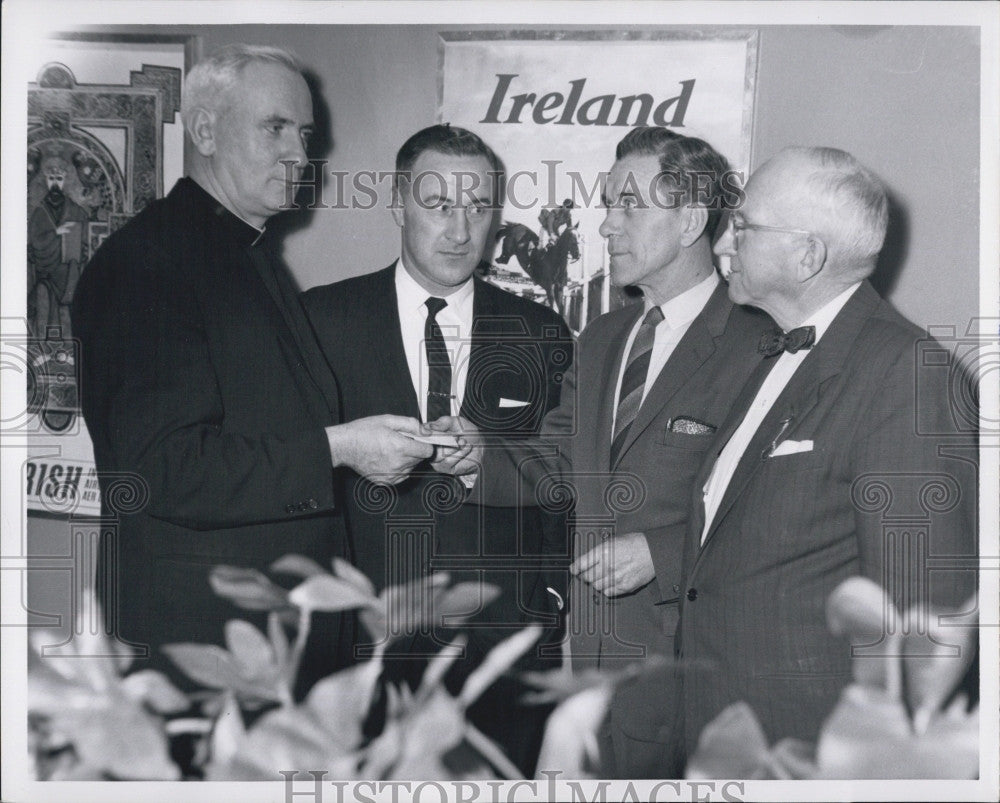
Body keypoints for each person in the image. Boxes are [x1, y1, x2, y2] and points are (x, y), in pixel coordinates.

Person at [71, 44, 432, 698]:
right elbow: (160, 469)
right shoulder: (146, 263)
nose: (298, 153)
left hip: (271, 639)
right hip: (208, 649)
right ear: (205, 130)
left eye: (304, 133)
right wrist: (340, 447)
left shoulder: (244, 251)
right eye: (275, 128)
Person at [432, 126, 773, 776]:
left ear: (690, 220)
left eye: (629, 205)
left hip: (693, 673)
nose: (607, 225)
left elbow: (777, 506)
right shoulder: (602, 338)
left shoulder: (759, 344)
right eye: (606, 203)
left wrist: (664, 554)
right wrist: (479, 456)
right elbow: (558, 466)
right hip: (587, 663)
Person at [674, 146, 977, 761]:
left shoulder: (908, 374)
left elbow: (922, 620)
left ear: (807, 255)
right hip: (725, 732)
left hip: (812, 750)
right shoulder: (770, 351)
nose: (722, 244)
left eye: (744, 226)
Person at [302, 124, 572, 774]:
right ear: (398, 204)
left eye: (478, 207)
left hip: (499, 656)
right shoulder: (321, 320)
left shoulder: (539, 332)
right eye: (438, 204)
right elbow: (294, 472)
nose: (459, 228)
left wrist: (549, 623)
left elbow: (559, 492)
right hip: (360, 653)